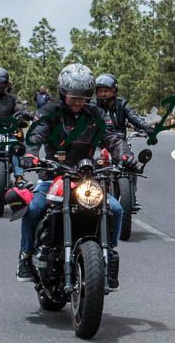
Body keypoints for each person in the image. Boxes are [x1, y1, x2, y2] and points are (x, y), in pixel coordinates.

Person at [18, 63, 129, 287]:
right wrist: (31, 154)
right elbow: (36, 135)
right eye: (73, 97)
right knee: (34, 209)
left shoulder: (96, 114)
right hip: (53, 176)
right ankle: (25, 256)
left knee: (116, 209)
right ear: (63, 92)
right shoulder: (49, 111)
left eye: (83, 97)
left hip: (86, 178)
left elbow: (112, 138)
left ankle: (109, 255)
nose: (78, 102)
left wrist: (126, 155)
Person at [93, 73, 154, 144]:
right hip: (97, 143)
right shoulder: (93, 106)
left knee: (128, 152)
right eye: (100, 91)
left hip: (119, 142)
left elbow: (134, 117)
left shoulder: (122, 104)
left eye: (106, 91)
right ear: (96, 92)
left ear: (114, 92)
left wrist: (146, 127)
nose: (103, 94)